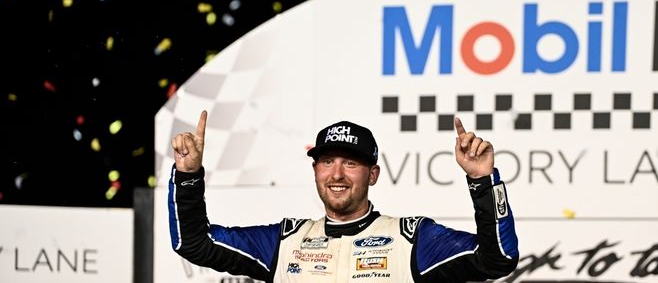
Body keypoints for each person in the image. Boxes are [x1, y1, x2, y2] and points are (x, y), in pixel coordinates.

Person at [169, 110, 519, 282]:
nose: (336, 174)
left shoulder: (412, 238)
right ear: (315, 171)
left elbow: (498, 259)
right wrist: (187, 175)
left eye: (350, 163)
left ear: (373, 174)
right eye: (326, 162)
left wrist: (483, 181)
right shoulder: (285, 241)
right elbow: (193, 243)